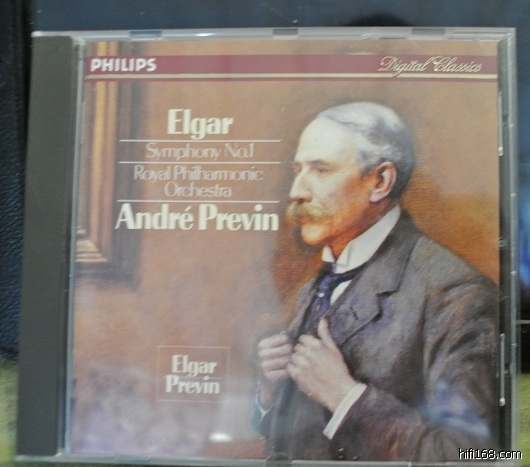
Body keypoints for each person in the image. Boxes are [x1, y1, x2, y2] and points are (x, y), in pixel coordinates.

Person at [254, 102, 498, 462]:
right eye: (297, 170)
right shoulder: (315, 287)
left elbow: (472, 454)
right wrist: (269, 392)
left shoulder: (456, 295)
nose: (297, 191)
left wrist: (346, 397)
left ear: (380, 182)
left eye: (320, 169)